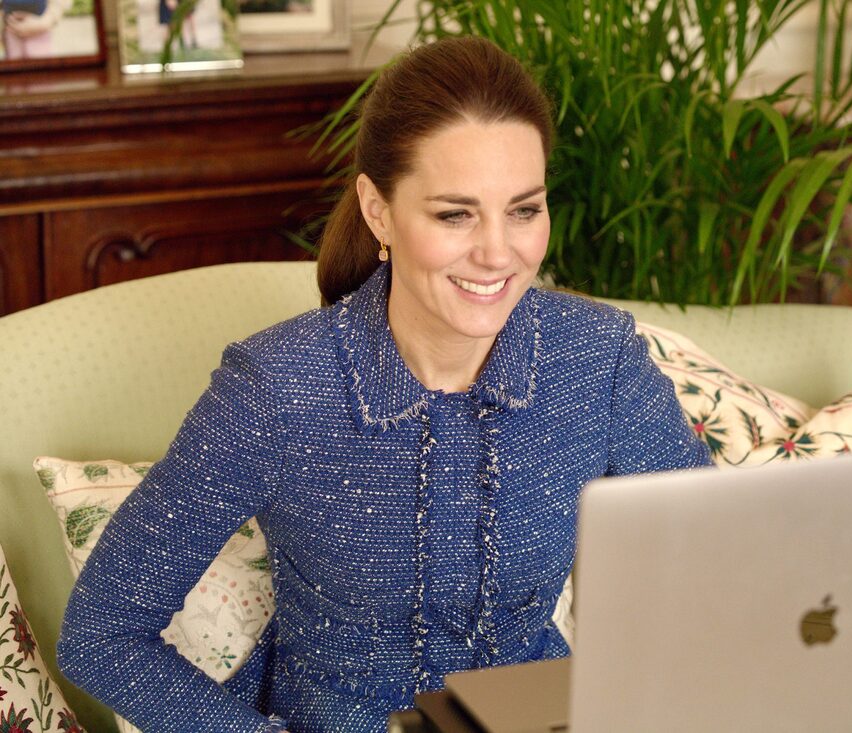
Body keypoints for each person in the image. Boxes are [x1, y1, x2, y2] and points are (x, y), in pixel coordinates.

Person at [56, 36, 712, 733]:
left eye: (524, 209)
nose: (499, 251)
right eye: (455, 214)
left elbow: (715, 559)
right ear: (378, 210)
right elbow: (101, 632)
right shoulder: (276, 390)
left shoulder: (597, 358)